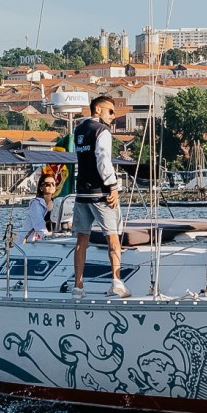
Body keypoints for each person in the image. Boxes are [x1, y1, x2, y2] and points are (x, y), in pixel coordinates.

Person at [71, 96, 131, 298]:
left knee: (82, 240)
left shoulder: (78, 130)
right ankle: (116, 283)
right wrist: (113, 186)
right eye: (111, 111)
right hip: (100, 193)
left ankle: (78, 286)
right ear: (98, 109)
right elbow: (103, 159)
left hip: (81, 193)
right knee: (113, 238)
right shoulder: (102, 131)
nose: (113, 117)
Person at [21, 173, 58, 242]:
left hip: (53, 239)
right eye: (48, 184)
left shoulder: (57, 203)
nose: (51, 186)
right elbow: (38, 224)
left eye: (53, 184)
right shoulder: (35, 203)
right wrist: (46, 235)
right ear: (41, 188)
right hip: (31, 241)